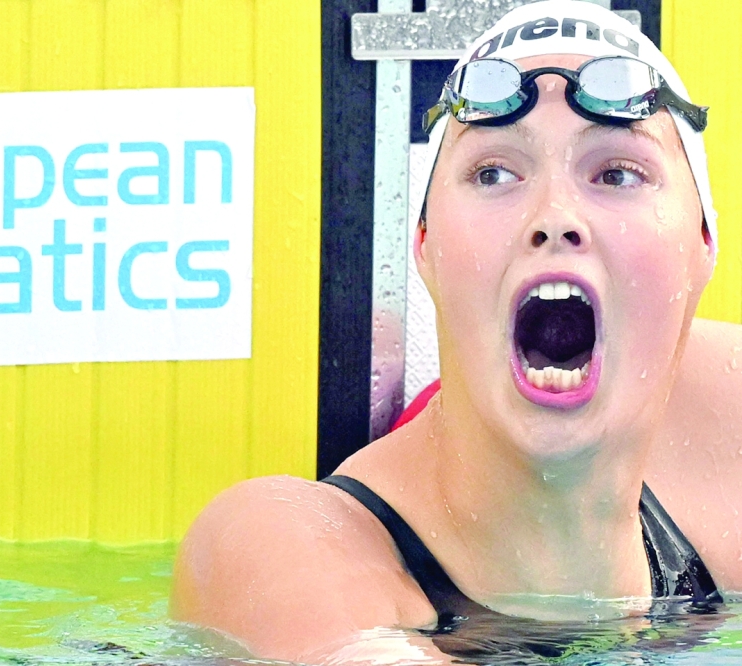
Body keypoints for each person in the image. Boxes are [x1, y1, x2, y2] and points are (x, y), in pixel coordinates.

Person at [170, 2, 742, 663]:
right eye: (494, 172)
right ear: (425, 245)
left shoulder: (725, 432)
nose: (555, 215)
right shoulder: (287, 549)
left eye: (616, 173)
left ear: (704, 245)